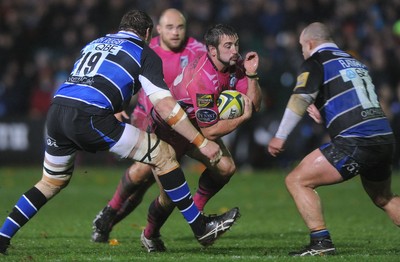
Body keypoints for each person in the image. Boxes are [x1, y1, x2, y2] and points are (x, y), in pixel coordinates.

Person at [0, 10, 241, 255]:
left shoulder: (95, 43)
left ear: (120, 28)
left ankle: (2, 236)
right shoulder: (145, 52)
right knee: (164, 153)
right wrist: (200, 141)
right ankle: (200, 227)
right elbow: (166, 106)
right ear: (148, 33)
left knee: (51, 182)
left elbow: (95, 80)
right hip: (90, 116)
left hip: (57, 112)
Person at [92, 23, 262, 252]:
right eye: (228, 46)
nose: (235, 50)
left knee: (226, 167)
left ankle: (196, 214)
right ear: (212, 50)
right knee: (164, 193)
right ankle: (145, 232)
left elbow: (255, 105)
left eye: (236, 44)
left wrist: (252, 75)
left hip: (197, 125)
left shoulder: (234, 66)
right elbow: (212, 131)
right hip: (169, 128)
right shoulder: (203, 77)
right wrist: (242, 118)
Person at [268, 22, 398, 256]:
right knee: (383, 197)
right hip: (384, 138)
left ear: (309, 43)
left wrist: (280, 136)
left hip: (356, 140)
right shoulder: (354, 61)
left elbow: (300, 99)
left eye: (301, 47)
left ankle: (321, 242)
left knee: (297, 180)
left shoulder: (317, 61)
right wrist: (326, 112)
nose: (302, 52)